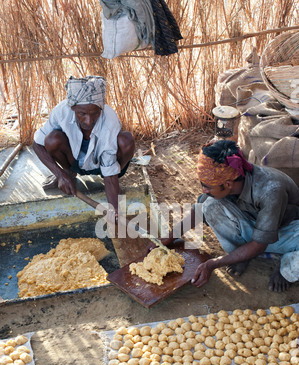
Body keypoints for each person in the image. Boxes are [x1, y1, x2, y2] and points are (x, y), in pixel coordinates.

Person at [157, 140, 299, 292]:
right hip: (255, 223)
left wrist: (213, 264)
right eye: (202, 184)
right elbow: (199, 211)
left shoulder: (270, 190)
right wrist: (170, 236)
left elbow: (259, 244)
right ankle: (242, 254)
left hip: (287, 231)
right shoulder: (230, 181)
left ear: (228, 184)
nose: (204, 190)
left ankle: (286, 269)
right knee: (209, 205)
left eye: (208, 186)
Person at [33, 75, 135, 221]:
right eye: (82, 114)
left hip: (102, 165)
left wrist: (114, 209)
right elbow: (37, 144)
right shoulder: (61, 111)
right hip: (73, 160)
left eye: (95, 113)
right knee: (51, 139)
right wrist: (60, 174)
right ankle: (69, 173)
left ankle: (112, 188)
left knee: (126, 140)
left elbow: (109, 171)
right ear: (73, 108)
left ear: (100, 107)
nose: (89, 121)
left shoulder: (109, 120)